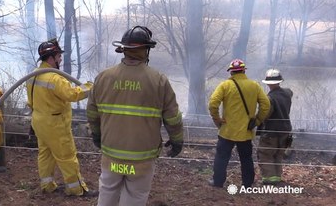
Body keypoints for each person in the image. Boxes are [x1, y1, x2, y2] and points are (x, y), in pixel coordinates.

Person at [87, 26, 184, 206]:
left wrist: (97, 135)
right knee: (135, 196)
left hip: (112, 156)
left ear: (123, 49)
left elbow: (92, 113)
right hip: (141, 159)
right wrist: (177, 140)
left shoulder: (103, 77)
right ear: (146, 50)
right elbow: (173, 118)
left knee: (108, 190)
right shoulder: (158, 80)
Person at [26, 38, 96, 196]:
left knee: (45, 154)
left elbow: (30, 101)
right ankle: (76, 189)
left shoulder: (32, 75)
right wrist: (91, 86)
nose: (60, 59)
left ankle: (47, 185)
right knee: (67, 156)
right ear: (51, 57)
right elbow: (72, 94)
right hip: (55, 124)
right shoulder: (54, 78)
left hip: (39, 122)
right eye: (58, 56)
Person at [208, 59, 270, 188]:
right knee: (246, 159)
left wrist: (217, 120)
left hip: (227, 131)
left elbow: (213, 103)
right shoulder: (254, 85)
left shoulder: (225, 85)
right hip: (245, 132)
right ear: (243, 70)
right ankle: (247, 184)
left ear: (231, 72)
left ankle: (218, 182)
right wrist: (257, 120)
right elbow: (266, 105)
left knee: (221, 158)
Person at [257, 69, 293, 185]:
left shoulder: (269, 99)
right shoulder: (286, 95)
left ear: (267, 83)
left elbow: (265, 115)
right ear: (279, 81)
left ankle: (269, 180)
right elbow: (290, 91)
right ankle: (277, 178)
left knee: (266, 154)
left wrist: (256, 121)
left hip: (271, 132)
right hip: (285, 131)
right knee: (278, 154)